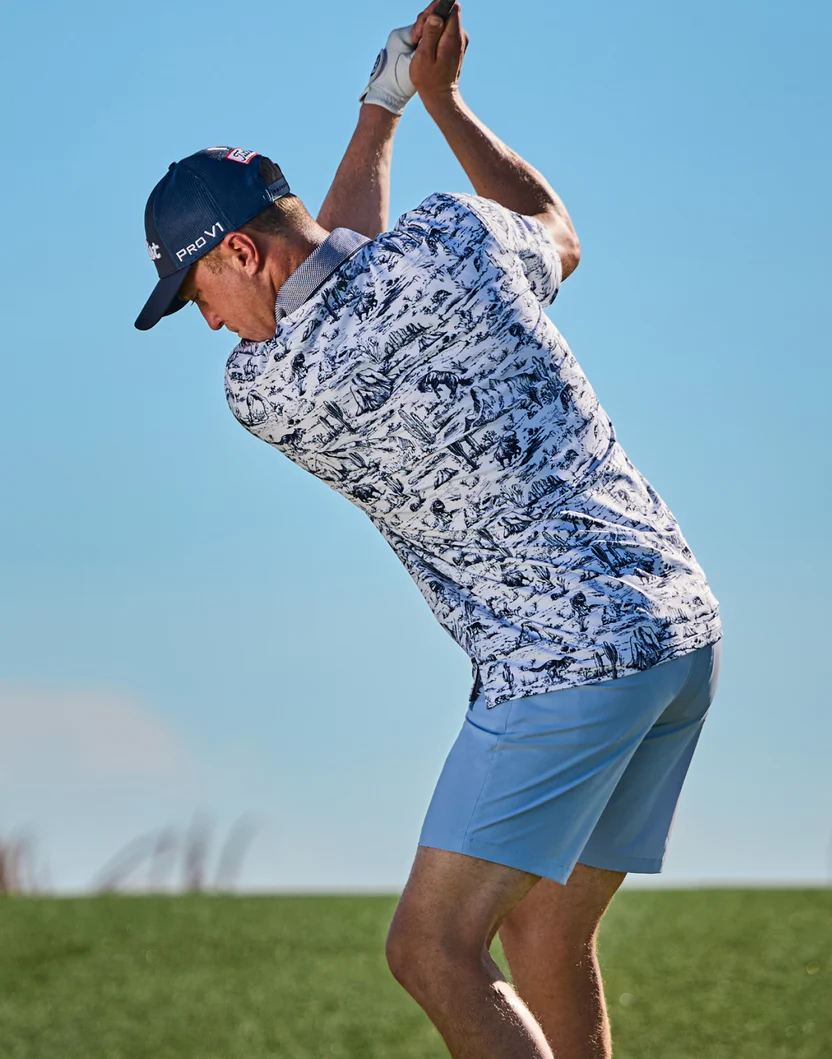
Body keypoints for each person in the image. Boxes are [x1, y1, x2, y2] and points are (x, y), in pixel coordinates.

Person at [134, 4, 723, 1057]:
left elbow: (336, 275)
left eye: (197, 291)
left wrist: (383, 112)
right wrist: (425, 102)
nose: (208, 320)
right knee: (544, 932)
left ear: (241, 252)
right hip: (679, 634)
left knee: (430, 948)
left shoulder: (266, 388)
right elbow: (550, 228)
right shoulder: (457, 239)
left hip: (561, 670)